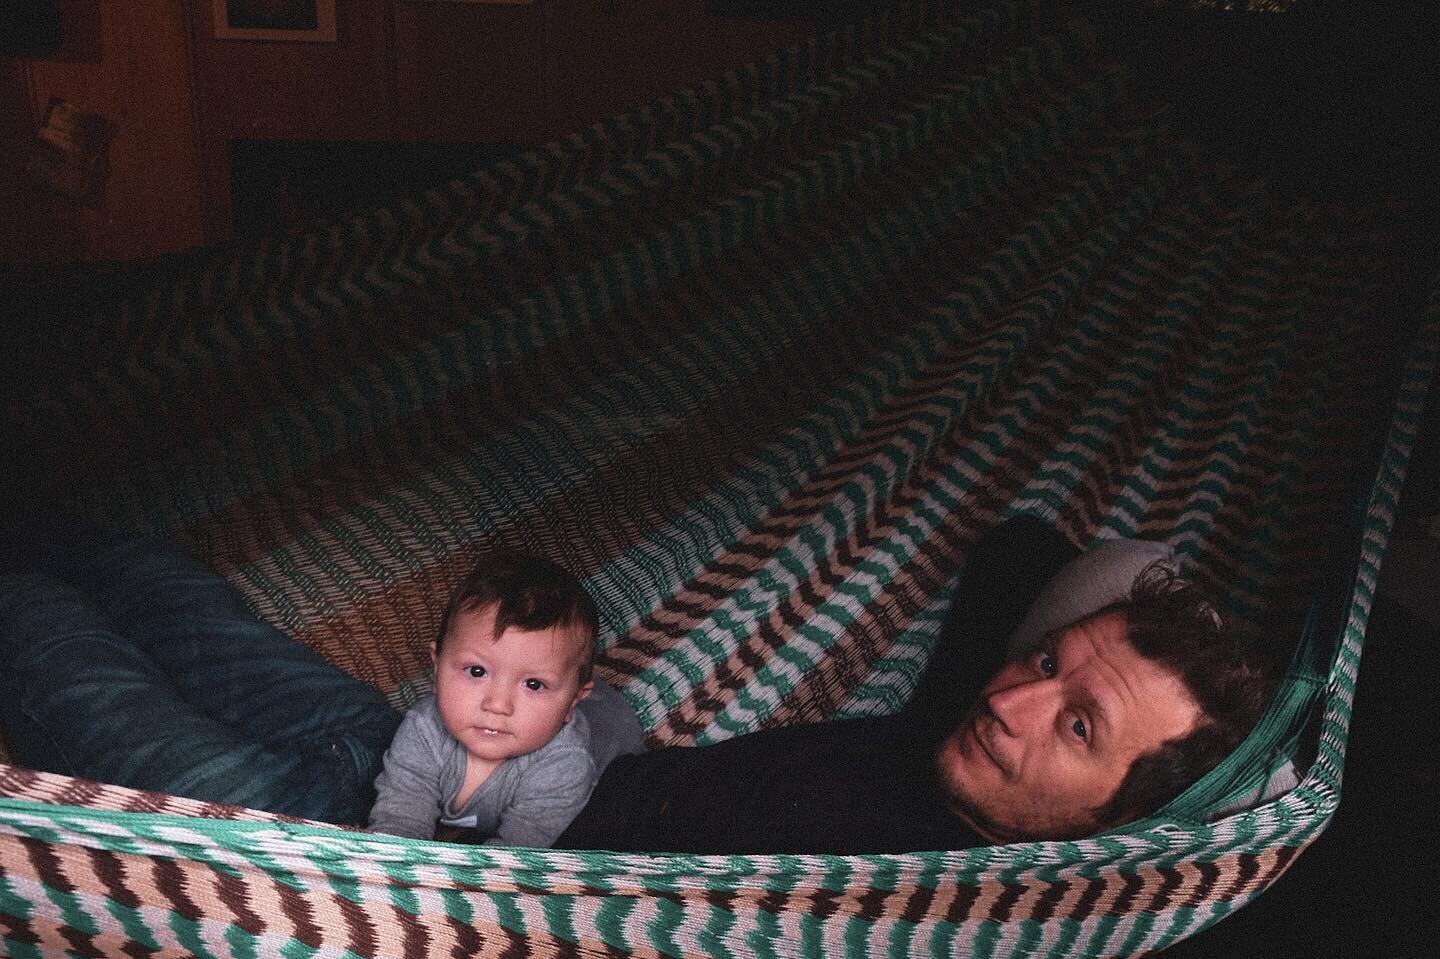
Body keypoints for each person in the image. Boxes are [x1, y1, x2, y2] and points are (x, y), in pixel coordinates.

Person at [0, 515, 1271, 854]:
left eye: (1079, 723)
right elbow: (1024, 548)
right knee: (158, 581)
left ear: (1120, 822)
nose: (1017, 698)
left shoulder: (926, 908)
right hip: (447, 754)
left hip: (375, 850)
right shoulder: (961, 733)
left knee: (55, 649)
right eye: (1046, 665)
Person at [367, 552, 643, 845]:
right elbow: (397, 823)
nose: (497, 705)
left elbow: (511, 865)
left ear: (573, 701)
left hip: (610, 731)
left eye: (534, 684)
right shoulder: (424, 729)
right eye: (476, 671)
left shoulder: (564, 766)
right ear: (437, 667)